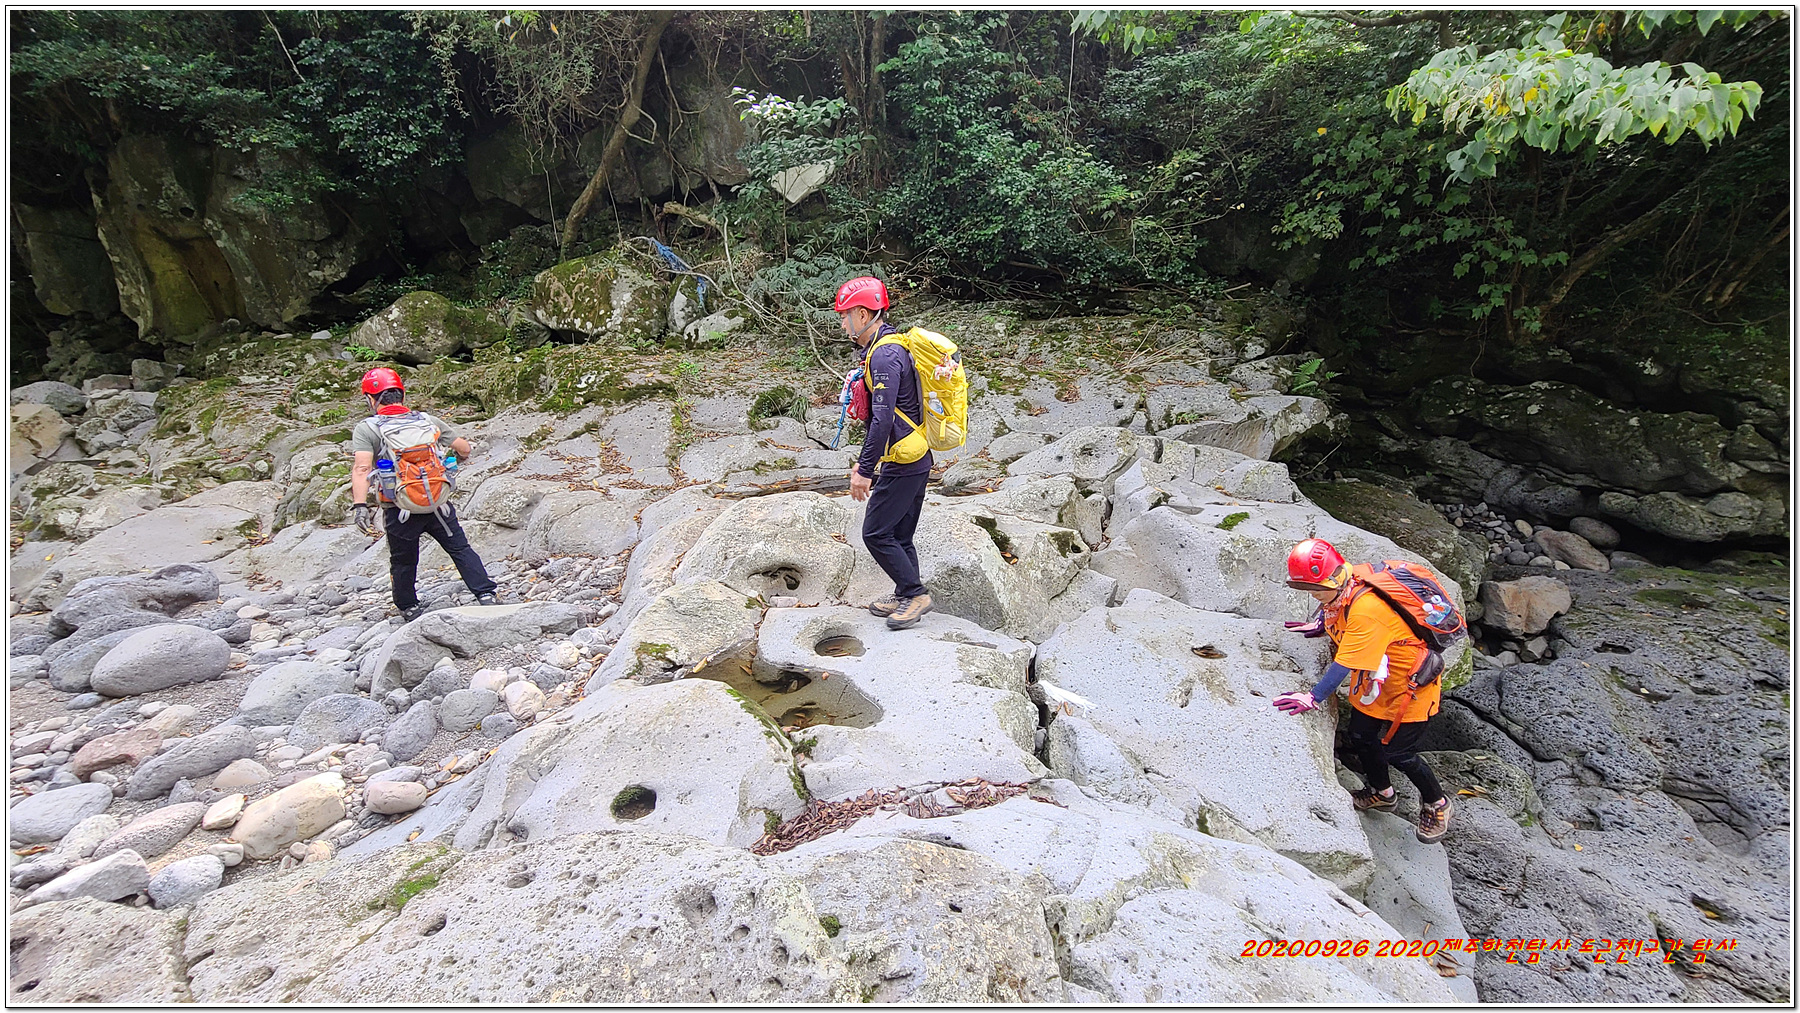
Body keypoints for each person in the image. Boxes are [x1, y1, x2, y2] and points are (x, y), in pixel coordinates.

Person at [1273, 538, 1453, 844]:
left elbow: (1343, 664)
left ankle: (1438, 803)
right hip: (1375, 681)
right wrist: (1320, 624)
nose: (1313, 594)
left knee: (1399, 753)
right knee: (1360, 736)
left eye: (1315, 588)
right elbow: (1334, 606)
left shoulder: (1367, 610)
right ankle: (1382, 793)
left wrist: (1312, 698)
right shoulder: (1348, 577)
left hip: (1409, 686)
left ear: (1334, 578)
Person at [348, 367, 501, 621]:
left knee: (403, 559)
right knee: (459, 548)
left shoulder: (367, 429)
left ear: (371, 398)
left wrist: (360, 505)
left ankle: (408, 607)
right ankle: (485, 593)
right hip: (436, 501)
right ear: (401, 394)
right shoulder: (427, 420)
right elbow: (464, 448)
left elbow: (362, 468)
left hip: (399, 506)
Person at [836, 276, 934, 631]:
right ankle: (905, 592)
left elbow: (882, 419)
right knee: (900, 534)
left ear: (863, 315)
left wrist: (864, 471)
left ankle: (915, 594)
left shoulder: (884, 354)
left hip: (904, 461)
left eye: (845, 315)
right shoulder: (888, 347)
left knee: (875, 533)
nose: (843, 323)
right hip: (915, 456)